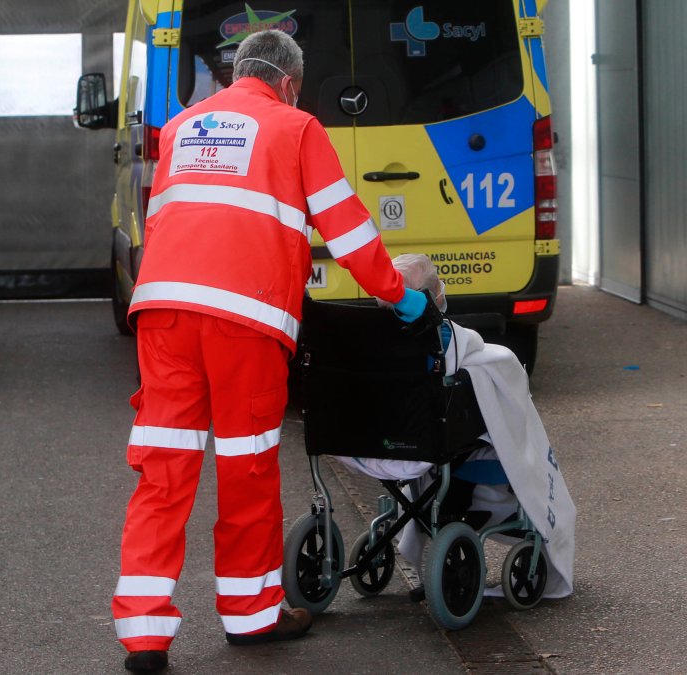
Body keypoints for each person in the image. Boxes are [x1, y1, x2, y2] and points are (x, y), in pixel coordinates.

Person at [111, 29, 428, 673]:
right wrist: (399, 296)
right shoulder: (297, 127)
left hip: (163, 312)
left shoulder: (182, 126)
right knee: (246, 466)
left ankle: (143, 637)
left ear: (237, 72)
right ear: (288, 81)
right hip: (244, 318)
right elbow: (347, 227)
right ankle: (252, 616)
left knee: (164, 471)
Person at [341, 254, 576, 601]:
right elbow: (505, 386)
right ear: (435, 296)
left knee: (456, 442)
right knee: (479, 435)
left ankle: (444, 515)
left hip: (369, 441)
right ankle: (455, 516)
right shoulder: (448, 342)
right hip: (429, 443)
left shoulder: (358, 344)